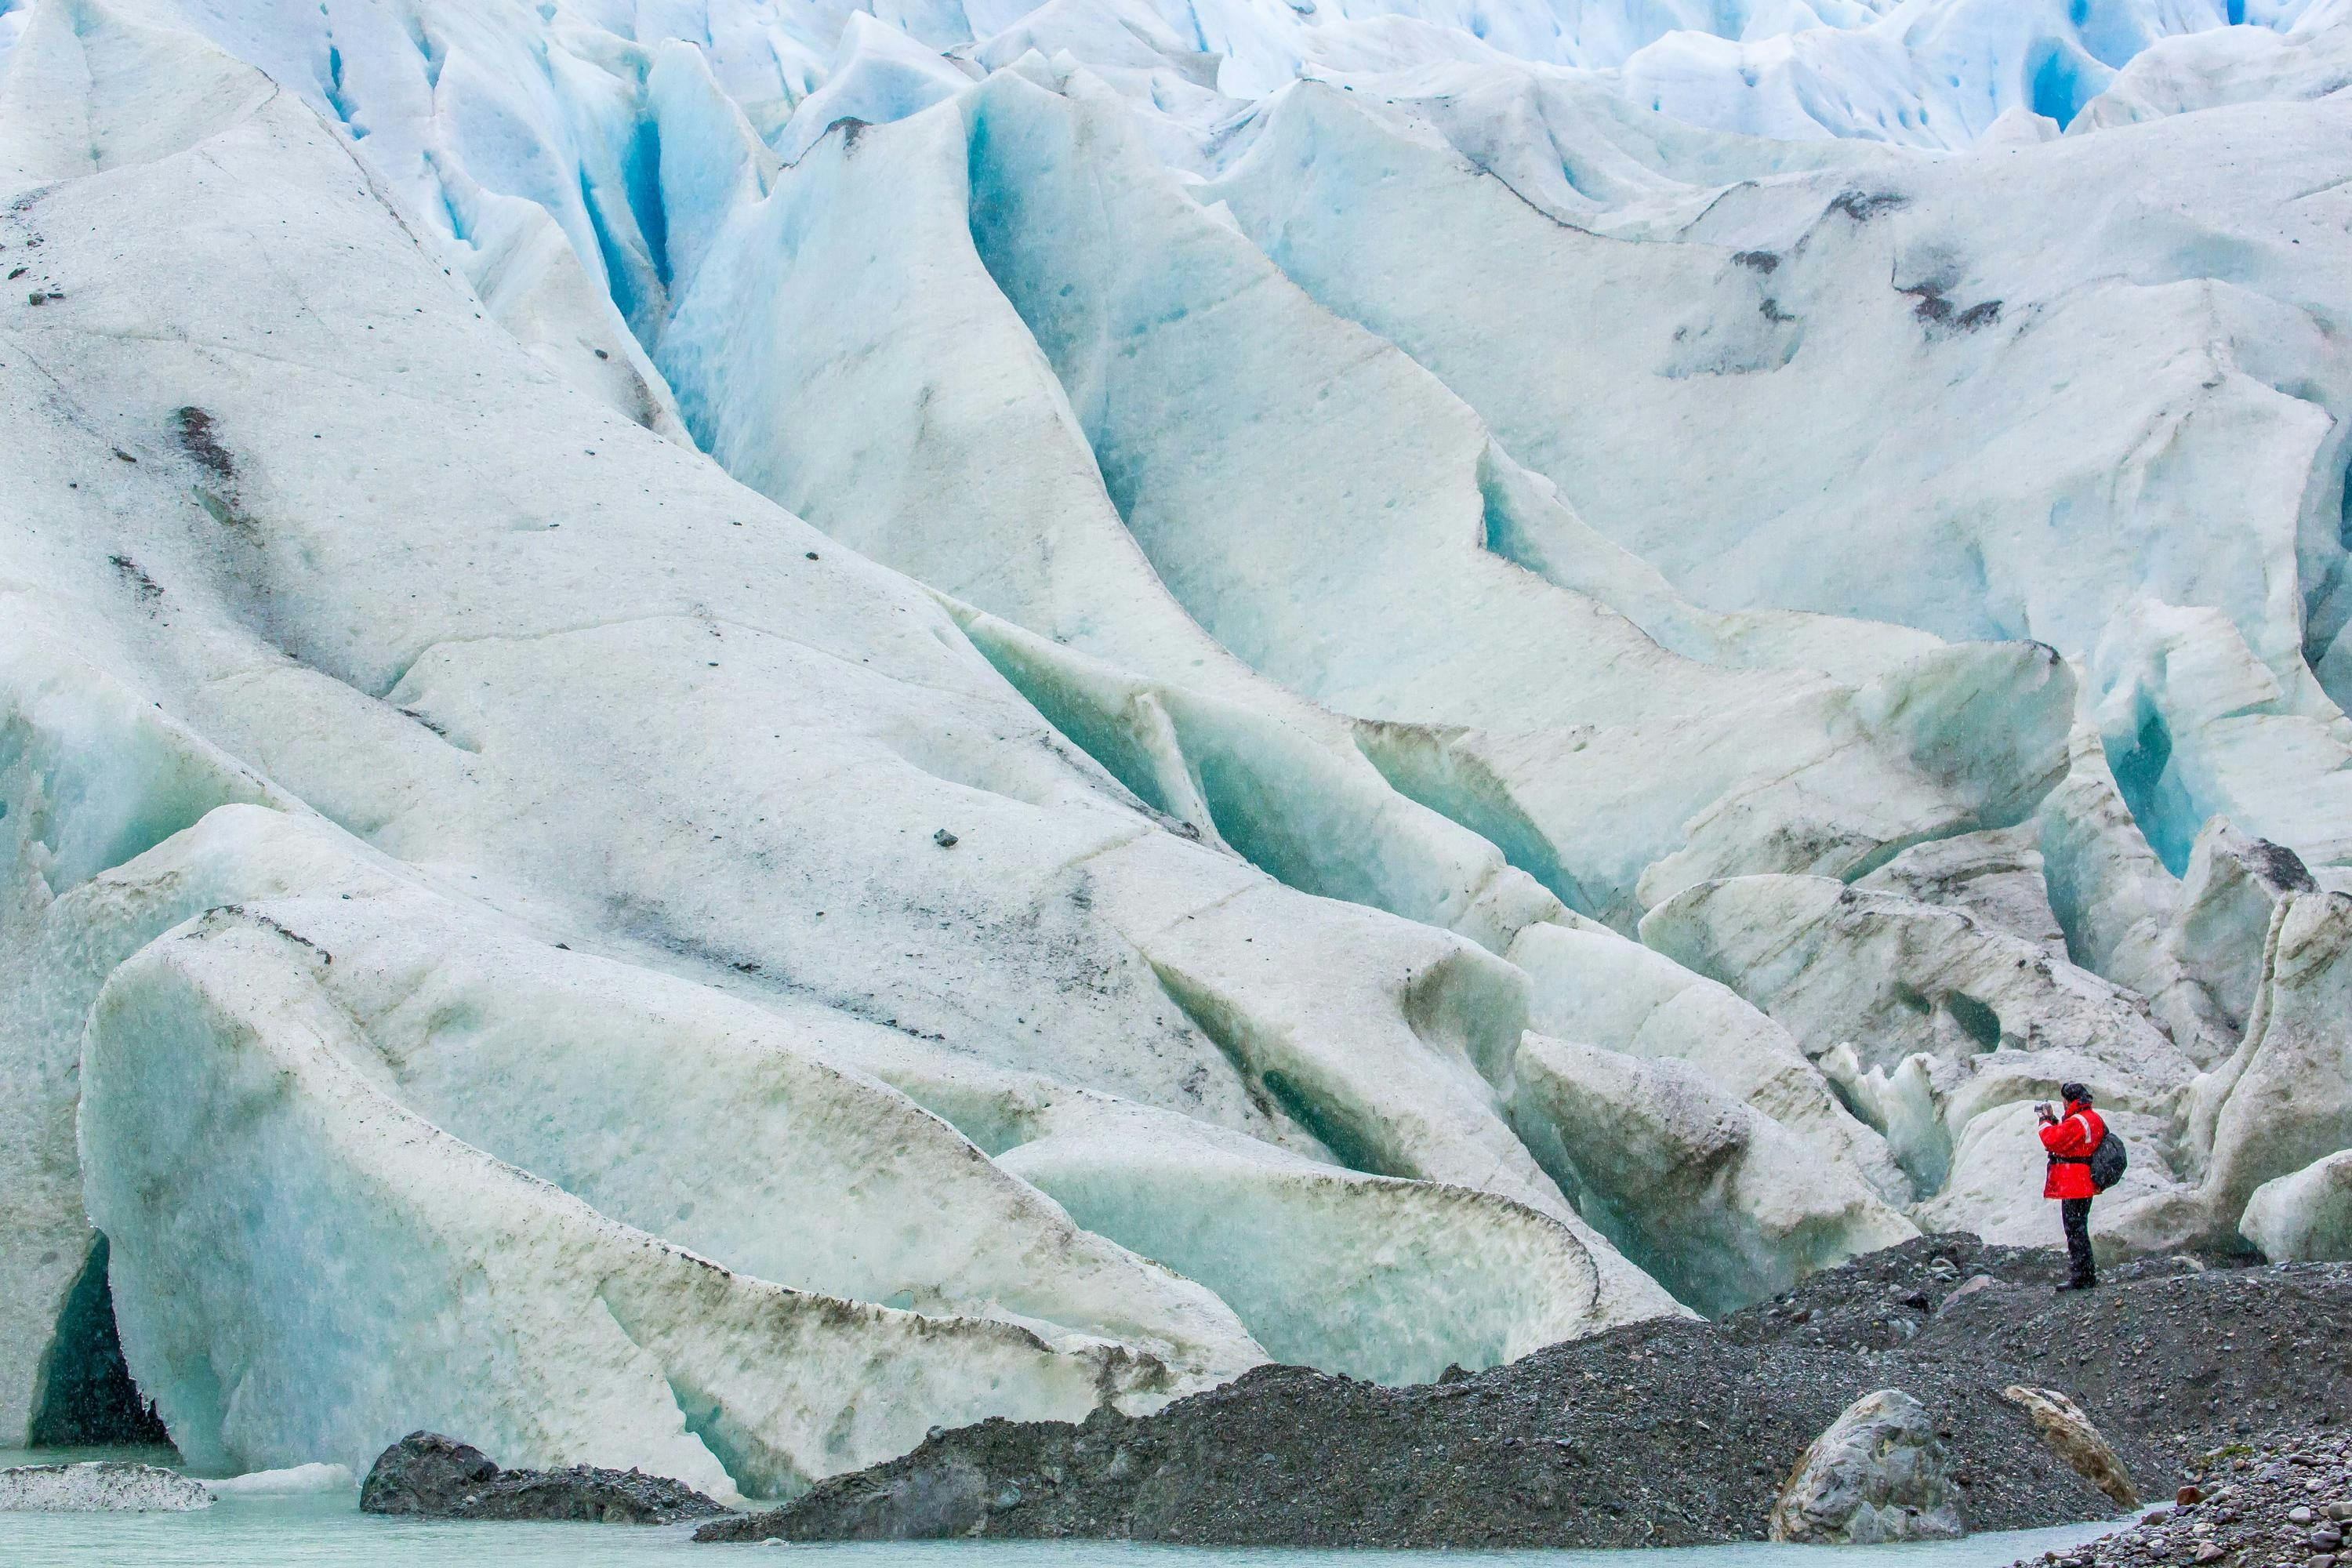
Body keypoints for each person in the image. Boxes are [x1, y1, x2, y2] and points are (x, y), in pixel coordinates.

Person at [2037, 1083, 2105, 1290]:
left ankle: (2082, 1277)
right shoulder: (2091, 1118)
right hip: (2085, 1181)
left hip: (2076, 1182)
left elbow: (2052, 1140)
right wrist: (2058, 1122)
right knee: (2079, 1227)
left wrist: (2045, 1120)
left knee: (2074, 1229)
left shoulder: (2079, 1120)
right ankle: (2086, 1274)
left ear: (2069, 1100)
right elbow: (2072, 1139)